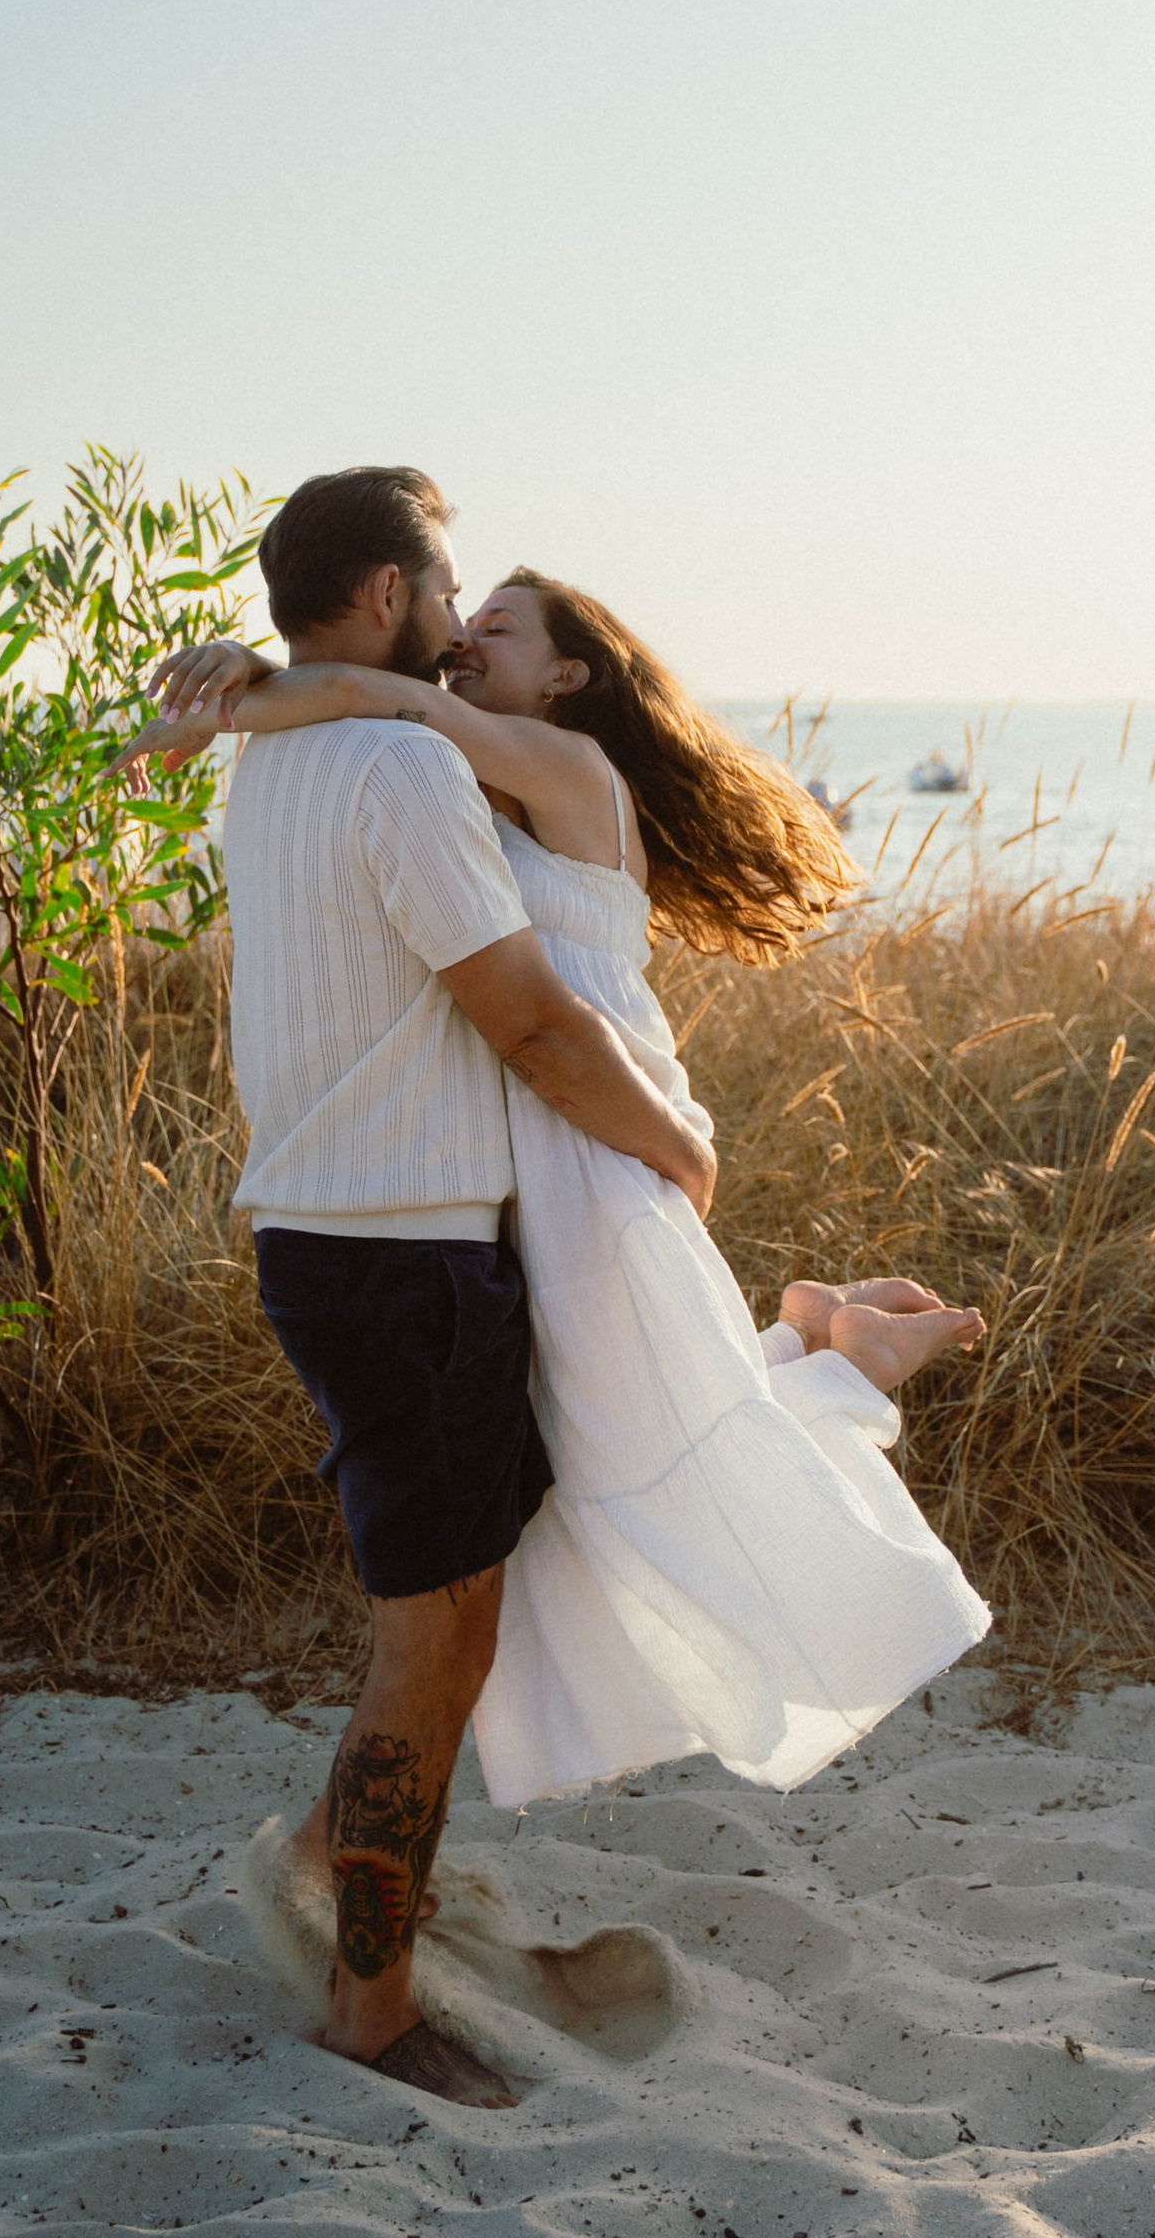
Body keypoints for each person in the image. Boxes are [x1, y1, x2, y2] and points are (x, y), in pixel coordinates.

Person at [129, 536, 993, 2048]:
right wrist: (268, 695)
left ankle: (835, 1352)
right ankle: (819, 1339)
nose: (471, 642)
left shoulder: (555, 769)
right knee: (610, 1462)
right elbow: (386, 749)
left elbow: (398, 715)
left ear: (571, 677)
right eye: (464, 612)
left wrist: (249, 691)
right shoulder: (473, 771)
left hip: (604, 1156)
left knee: (659, 1454)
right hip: (553, 1163)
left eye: (505, 626)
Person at [121, 467, 716, 2114]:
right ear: (387, 592)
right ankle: (369, 2003)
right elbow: (524, 1017)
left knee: (445, 1619)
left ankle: (334, 1867)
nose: (456, 628)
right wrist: (674, 1141)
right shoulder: (394, 766)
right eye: (446, 593)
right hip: (406, 1257)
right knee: (433, 1644)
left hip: (336, 1241)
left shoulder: (282, 766)